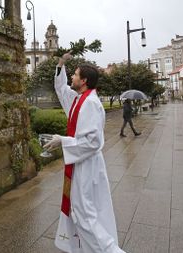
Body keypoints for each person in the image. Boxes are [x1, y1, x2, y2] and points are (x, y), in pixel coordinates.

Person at [43, 52, 124, 253]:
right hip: (81, 163)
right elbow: (61, 88)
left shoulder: (90, 104)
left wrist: (62, 141)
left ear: (84, 80)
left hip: (87, 164)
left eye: (75, 74)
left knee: (84, 213)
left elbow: (92, 141)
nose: (72, 77)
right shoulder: (79, 100)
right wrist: (61, 64)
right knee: (84, 211)